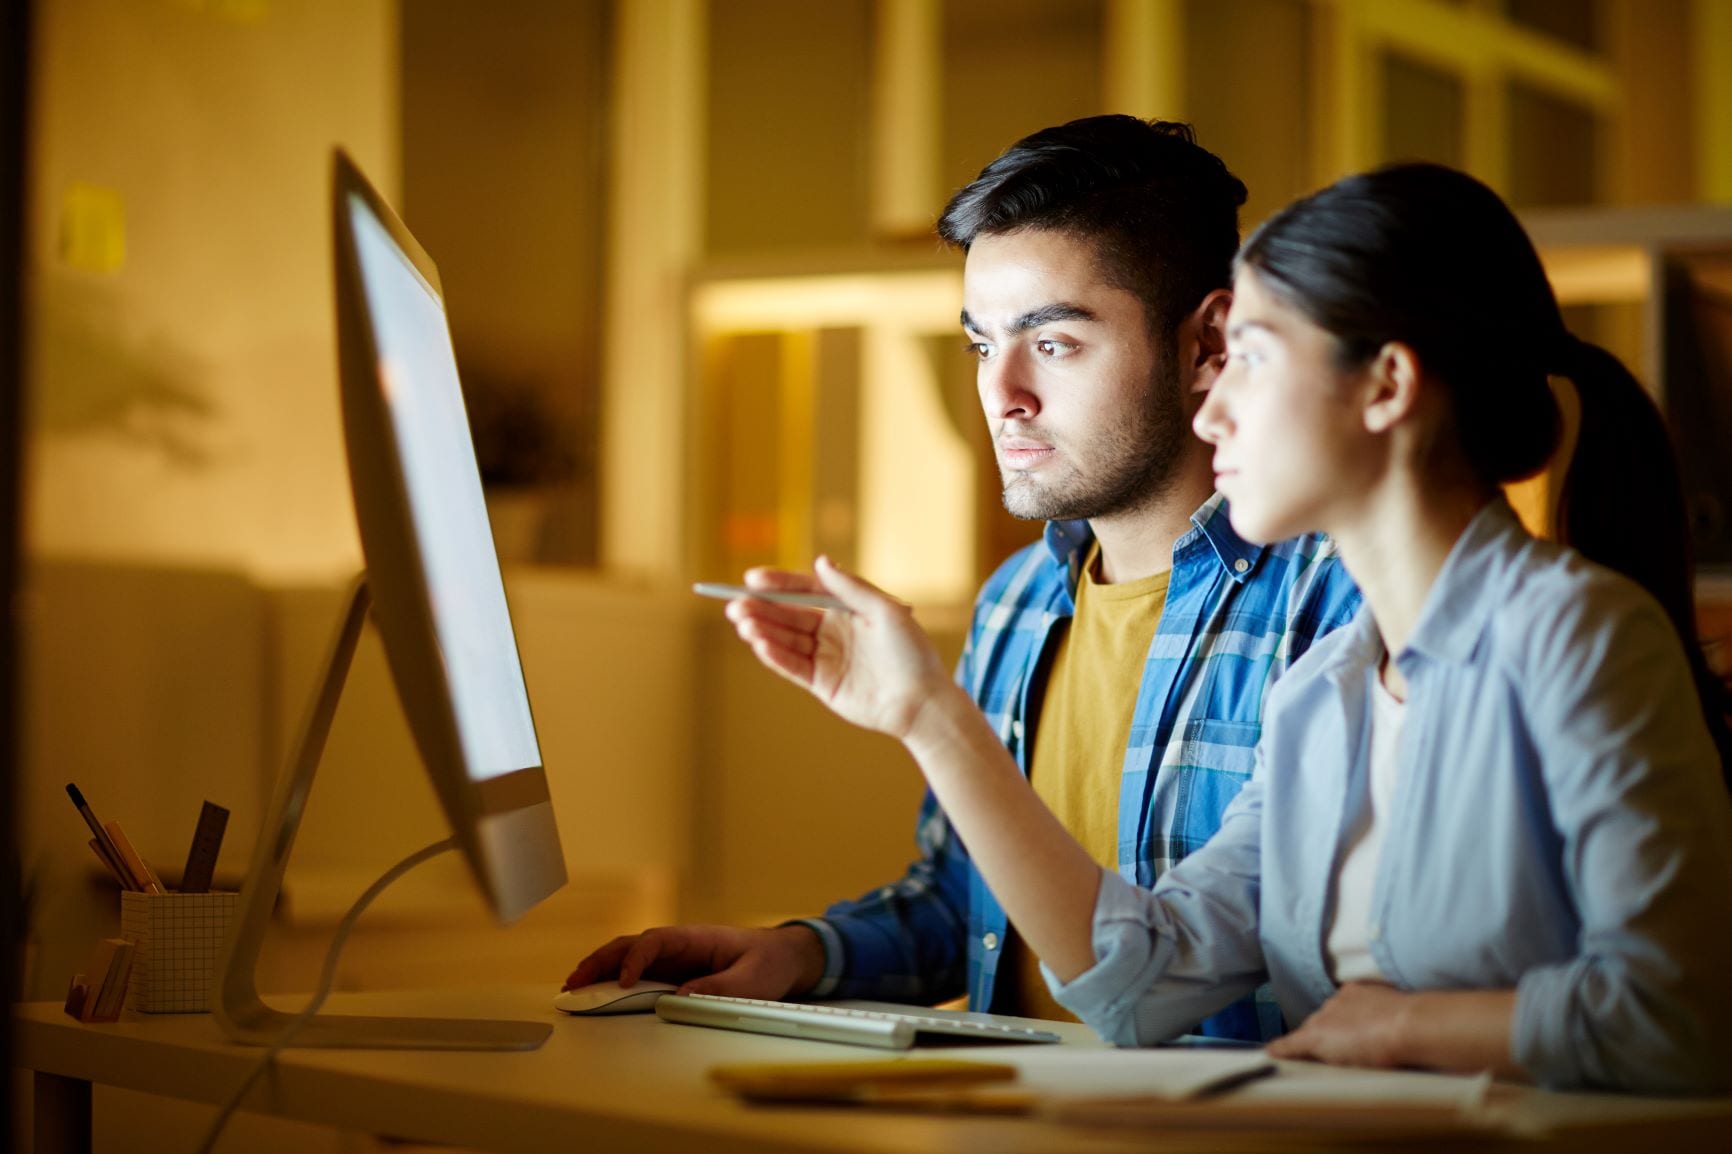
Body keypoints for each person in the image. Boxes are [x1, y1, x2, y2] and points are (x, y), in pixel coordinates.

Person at [724, 162, 1732, 1093]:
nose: (1214, 412)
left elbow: (1684, 1015)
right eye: (981, 344)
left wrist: (1398, 1027)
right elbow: (1138, 975)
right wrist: (928, 713)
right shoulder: (1329, 687)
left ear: (1385, 385)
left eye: (1249, 355)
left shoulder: (1578, 635)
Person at [565, 116, 1361, 1040]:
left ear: (1208, 347)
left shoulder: (1335, 600)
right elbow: (967, 907)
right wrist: (801, 953)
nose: (1001, 394)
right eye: (982, 345)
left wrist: (929, 718)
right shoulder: (1019, 600)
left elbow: (1192, 965)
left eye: (1054, 343)